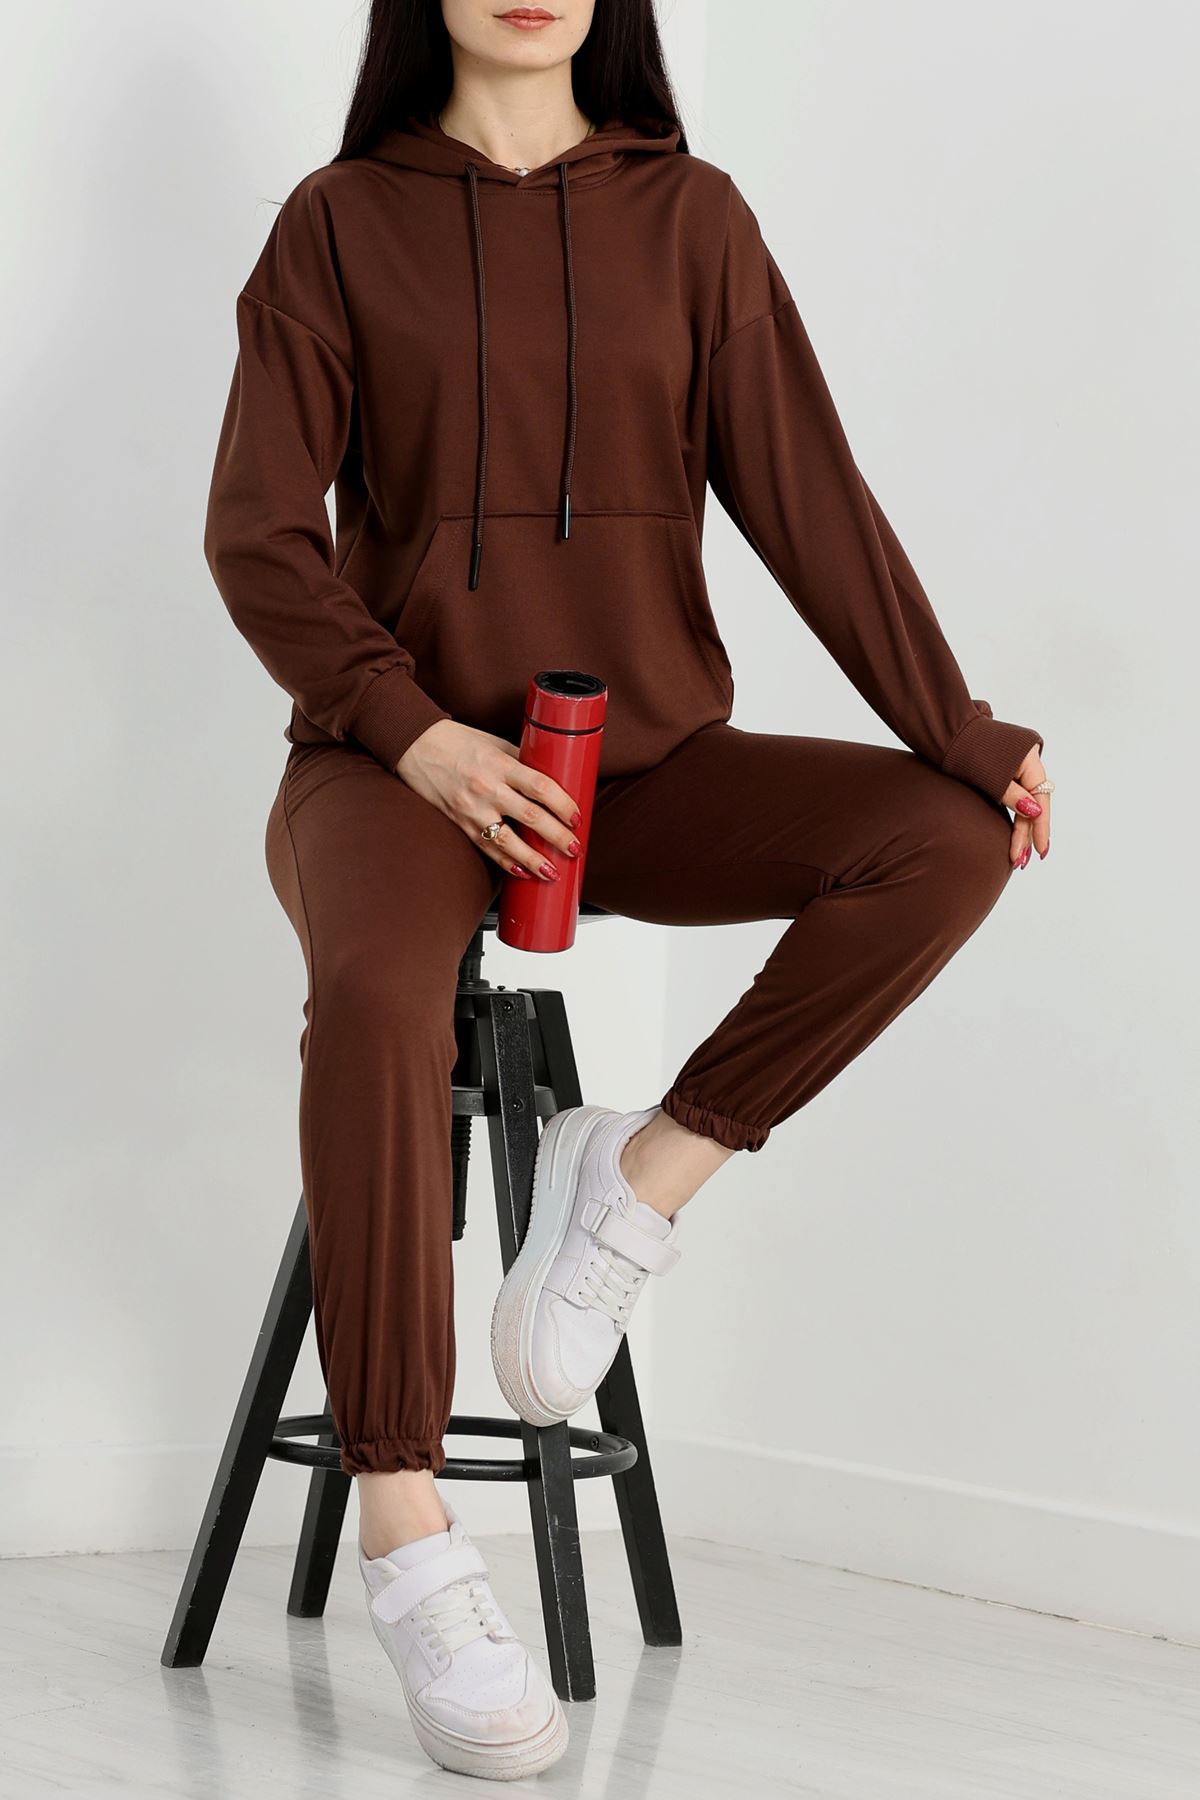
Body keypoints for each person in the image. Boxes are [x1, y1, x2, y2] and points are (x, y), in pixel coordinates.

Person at [202, 0, 1053, 1779]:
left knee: (944, 842)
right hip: (391, 769)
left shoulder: (696, 220)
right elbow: (259, 536)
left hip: (635, 772)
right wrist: (414, 733)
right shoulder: (337, 223)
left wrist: (961, 731)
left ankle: (636, 1180)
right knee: (375, 996)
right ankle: (409, 1537)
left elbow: (814, 508)